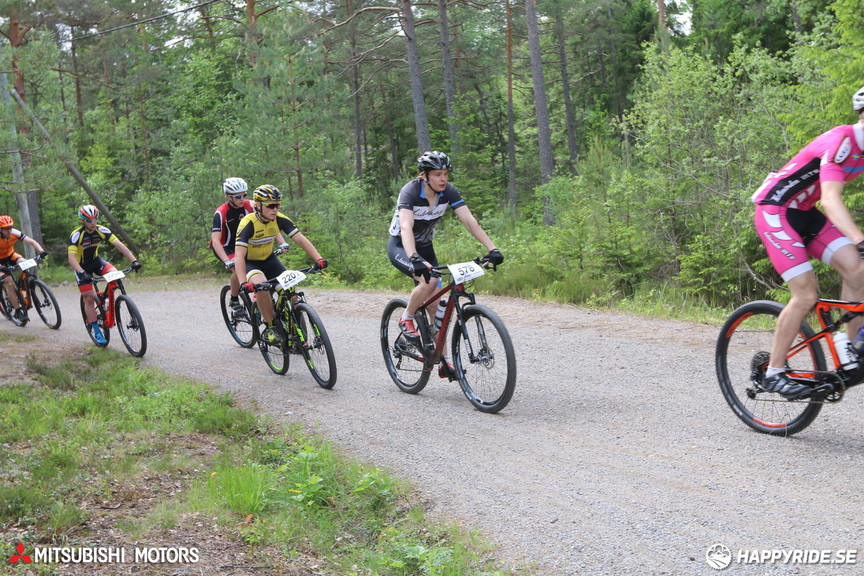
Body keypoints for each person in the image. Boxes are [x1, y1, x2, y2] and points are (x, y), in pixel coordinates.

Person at [751, 86, 864, 399]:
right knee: (806, 293)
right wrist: (859, 238)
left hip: (804, 212)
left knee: (857, 269)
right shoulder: (842, 142)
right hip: (776, 212)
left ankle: (852, 350)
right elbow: (830, 199)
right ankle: (774, 372)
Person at [387, 150, 503, 378]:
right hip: (402, 246)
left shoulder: (448, 191)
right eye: (437, 174)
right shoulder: (411, 191)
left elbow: (469, 221)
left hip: (426, 248)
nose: (443, 179)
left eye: (446, 174)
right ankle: (406, 318)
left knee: (436, 307)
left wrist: (492, 249)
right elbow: (406, 227)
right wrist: (413, 257)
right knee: (430, 281)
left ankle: (444, 360)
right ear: (424, 175)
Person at [234, 184, 328, 345]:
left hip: (270, 260)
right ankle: (270, 327)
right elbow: (239, 255)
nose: (275, 209)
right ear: (258, 205)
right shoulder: (248, 223)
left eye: (277, 205)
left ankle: (295, 337)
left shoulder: (279, 219)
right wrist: (243, 282)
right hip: (251, 262)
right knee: (262, 286)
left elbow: (300, 239)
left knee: (293, 295)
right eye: (271, 205)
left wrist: (319, 259)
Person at [67, 205, 142, 345]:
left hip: (96, 262)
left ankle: (107, 300)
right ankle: (96, 330)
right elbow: (71, 258)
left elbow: (120, 245)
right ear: (83, 221)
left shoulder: (102, 230)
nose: (93, 223)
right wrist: (82, 272)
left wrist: (134, 261)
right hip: (81, 267)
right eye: (89, 221)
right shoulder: (76, 235)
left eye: (95, 219)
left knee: (116, 275)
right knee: (89, 298)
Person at [210, 177, 255, 315]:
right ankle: (234, 300)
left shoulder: (250, 206)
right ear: (229, 197)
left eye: (244, 195)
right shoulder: (221, 212)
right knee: (238, 267)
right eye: (238, 196)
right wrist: (227, 261)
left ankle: (258, 300)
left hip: (244, 245)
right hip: (226, 247)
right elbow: (216, 241)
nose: (242, 199)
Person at [0, 214, 48, 322]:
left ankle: (23, 284)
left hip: (11, 255)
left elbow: (31, 241)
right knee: (9, 282)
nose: (9, 230)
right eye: (6, 228)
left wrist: (41, 251)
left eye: (10, 227)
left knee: (25, 263)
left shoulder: (14, 232)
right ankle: (18, 311)